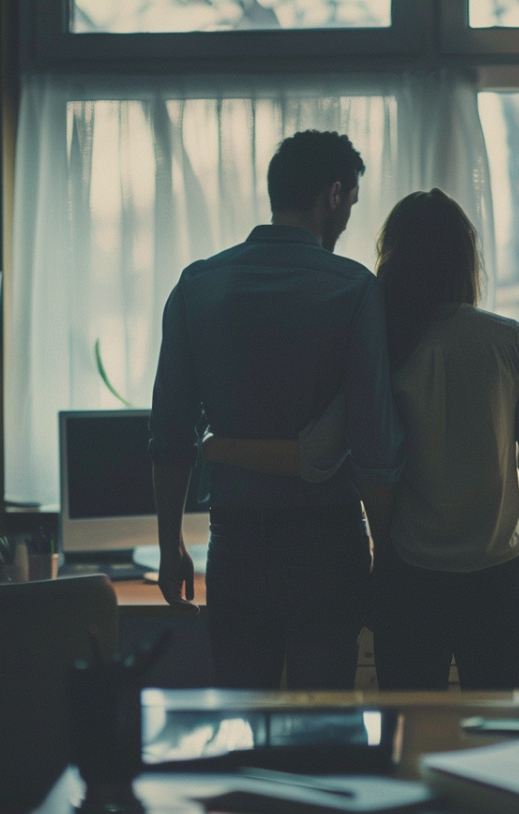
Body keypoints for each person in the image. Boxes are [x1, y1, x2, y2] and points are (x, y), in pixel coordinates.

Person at [203, 189, 519, 691]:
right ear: (467, 260)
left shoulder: (384, 346)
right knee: (495, 740)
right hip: (496, 584)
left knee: (407, 741)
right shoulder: (510, 341)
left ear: (394, 258)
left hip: (408, 584)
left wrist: (220, 447)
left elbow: (317, 454)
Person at [149, 130, 403, 691]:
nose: (346, 223)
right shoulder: (355, 289)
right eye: (351, 204)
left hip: (235, 543)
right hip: (329, 544)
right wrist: (386, 558)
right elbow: (374, 446)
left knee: (244, 723)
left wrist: (171, 546)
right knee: (324, 733)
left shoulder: (198, 285)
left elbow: (169, 432)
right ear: (333, 194)